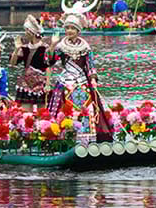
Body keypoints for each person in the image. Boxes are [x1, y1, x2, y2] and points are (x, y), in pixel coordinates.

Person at [48, 12, 112, 142]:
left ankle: (89, 137)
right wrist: (53, 45)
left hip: (82, 82)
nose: (69, 31)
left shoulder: (86, 47)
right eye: (67, 28)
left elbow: (90, 65)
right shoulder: (61, 46)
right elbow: (49, 61)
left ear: (78, 30)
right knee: (63, 107)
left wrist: (93, 78)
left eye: (72, 28)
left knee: (88, 107)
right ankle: (64, 137)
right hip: (66, 82)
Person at [9, 15, 55, 111]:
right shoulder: (24, 48)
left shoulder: (45, 48)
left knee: (42, 113)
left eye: (26, 30)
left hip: (41, 83)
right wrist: (17, 49)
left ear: (32, 32)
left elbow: (48, 66)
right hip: (26, 83)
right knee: (26, 113)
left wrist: (48, 84)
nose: (25, 33)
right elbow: (12, 64)